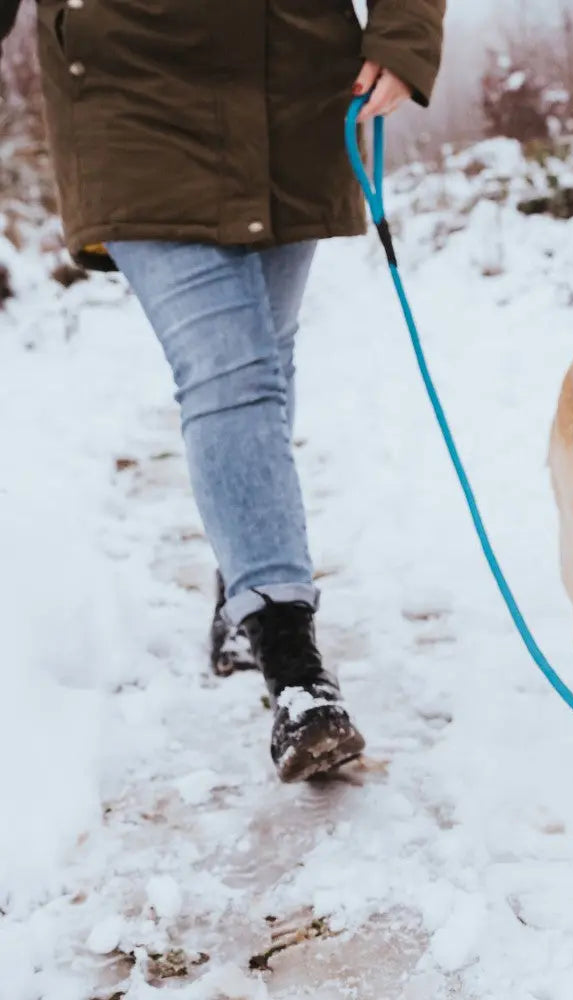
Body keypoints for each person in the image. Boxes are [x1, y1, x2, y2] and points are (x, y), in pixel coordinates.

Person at [0, 0, 446, 782]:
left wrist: (405, 35)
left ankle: (241, 587)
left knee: (261, 361)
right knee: (230, 371)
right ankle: (293, 664)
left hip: (291, 87)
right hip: (130, 91)